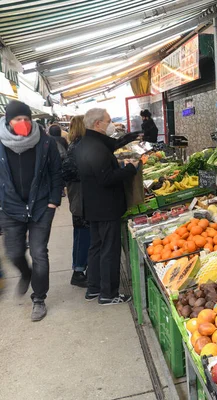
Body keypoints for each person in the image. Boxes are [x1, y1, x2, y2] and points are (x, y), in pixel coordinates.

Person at [0, 100, 63, 321]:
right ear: (8, 121)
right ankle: (25, 273)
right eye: (18, 119)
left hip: (41, 206)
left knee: (39, 252)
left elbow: (56, 171)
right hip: (9, 207)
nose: (24, 123)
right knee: (14, 253)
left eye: (27, 119)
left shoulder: (44, 142)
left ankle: (39, 298)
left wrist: (54, 200)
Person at [75, 108, 138, 305]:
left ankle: (93, 288)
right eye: (109, 120)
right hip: (106, 206)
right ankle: (109, 293)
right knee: (109, 250)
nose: (111, 124)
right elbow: (106, 178)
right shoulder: (96, 147)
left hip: (93, 205)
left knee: (96, 247)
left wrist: (130, 137)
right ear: (97, 124)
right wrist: (129, 169)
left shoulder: (87, 142)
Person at [61, 116, 89, 288]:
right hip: (80, 198)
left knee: (81, 234)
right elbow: (68, 173)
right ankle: (78, 272)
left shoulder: (75, 145)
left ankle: (80, 269)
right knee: (82, 234)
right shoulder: (79, 147)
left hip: (78, 197)